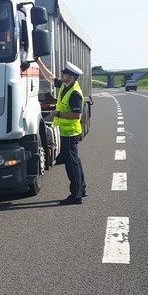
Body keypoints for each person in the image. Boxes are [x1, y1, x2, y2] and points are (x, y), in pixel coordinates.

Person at [35, 58, 87, 205]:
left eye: (64, 74)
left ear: (71, 77)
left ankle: (76, 196)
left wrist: (57, 114)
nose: (61, 75)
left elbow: (77, 115)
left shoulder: (75, 93)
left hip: (70, 133)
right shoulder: (65, 86)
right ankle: (81, 188)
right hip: (65, 132)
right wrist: (39, 62)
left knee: (71, 164)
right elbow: (50, 77)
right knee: (74, 160)